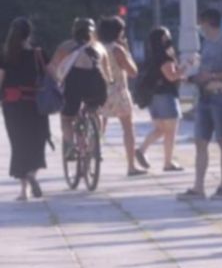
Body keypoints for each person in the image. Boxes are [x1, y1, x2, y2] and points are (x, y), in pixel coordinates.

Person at [178, 8, 222, 200]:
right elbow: (203, 70)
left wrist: (214, 76)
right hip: (204, 97)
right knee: (201, 142)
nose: (200, 27)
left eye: (201, 23)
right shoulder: (206, 44)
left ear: (208, 23)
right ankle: (198, 186)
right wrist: (193, 78)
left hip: (221, 97)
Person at [1, 17, 49, 199]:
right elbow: (52, 75)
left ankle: (23, 191)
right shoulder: (38, 54)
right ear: (29, 34)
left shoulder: (5, 55)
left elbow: (0, 79)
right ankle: (32, 174)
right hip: (34, 104)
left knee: (18, 144)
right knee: (37, 141)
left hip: (12, 105)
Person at [52, 18, 113, 162]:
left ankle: (71, 146)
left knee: (66, 118)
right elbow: (107, 72)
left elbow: (54, 67)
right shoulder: (99, 47)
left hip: (73, 86)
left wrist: (56, 82)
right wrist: (110, 82)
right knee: (94, 111)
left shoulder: (66, 46)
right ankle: (96, 146)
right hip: (96, 85)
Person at [93, 17, 146, 177]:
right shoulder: (117, 49)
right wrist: (127, 51)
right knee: (128, 128)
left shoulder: (96, 48)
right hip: (118, 92)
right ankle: (131, 166)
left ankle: (93, 153)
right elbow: (133, 72)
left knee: (99, 126)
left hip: (100, 91)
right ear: (118, 32)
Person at [136, 27, 184, 173]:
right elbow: (171, 76)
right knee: (170, 131)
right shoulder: (165, 57)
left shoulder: (152, 57)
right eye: (167, 35)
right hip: (166, 95)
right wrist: (186, 67)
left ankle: (142, 150)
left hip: (153, 97)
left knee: (161, 129)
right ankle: (168, 163)